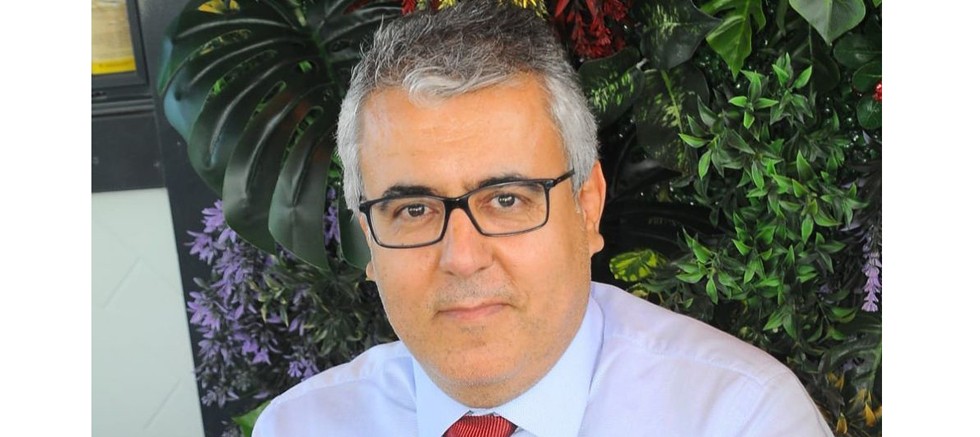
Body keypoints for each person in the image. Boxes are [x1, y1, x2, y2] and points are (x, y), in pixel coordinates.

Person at [254, 0, 834, 435]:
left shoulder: (741, 418)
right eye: (413, 209)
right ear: (369, 243)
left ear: (587, 208)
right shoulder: (300, 427)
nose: (462, 258)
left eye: (507, 199)